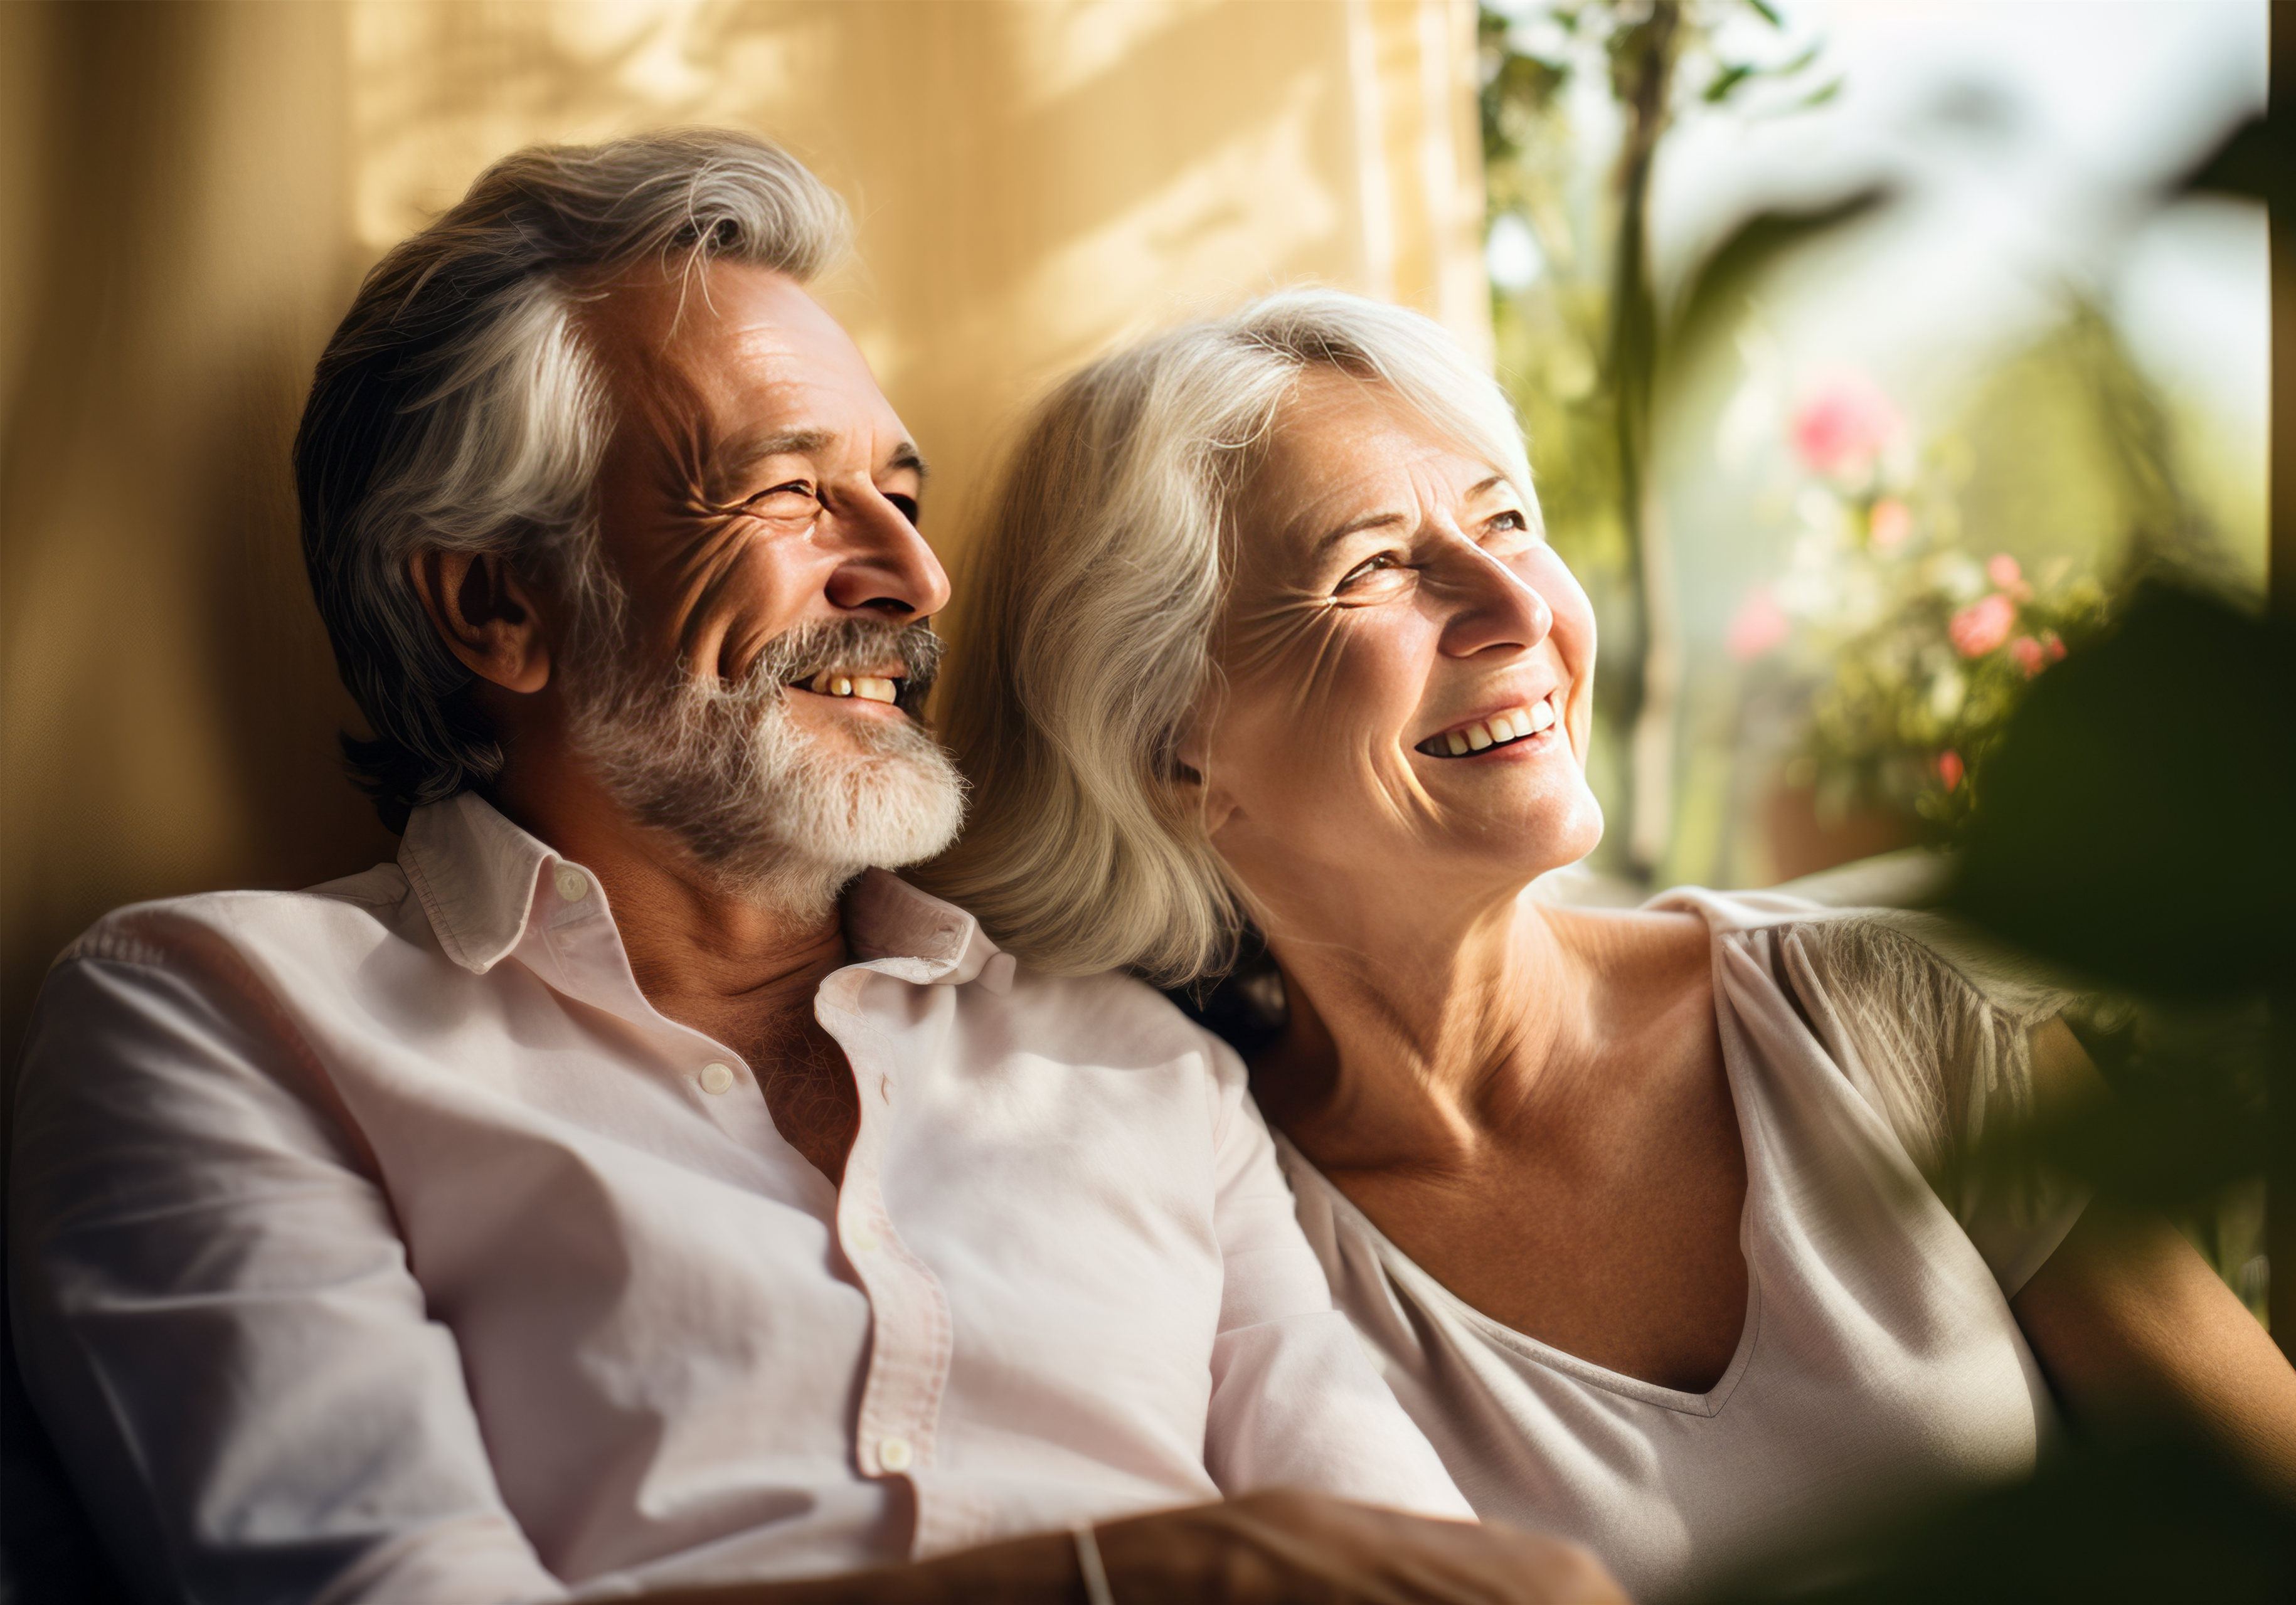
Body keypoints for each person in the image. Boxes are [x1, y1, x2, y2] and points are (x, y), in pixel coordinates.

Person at [6, 135, 1624, 1605]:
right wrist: (1135, 1574)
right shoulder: (221, 1020)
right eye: (789, 491)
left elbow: (1431, 1577)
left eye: (903, 497)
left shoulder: (1137, 1066)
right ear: (497, 605)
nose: (914, 574)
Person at [919, 287, 2296, 1601]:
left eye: (1506, 520)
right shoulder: (1194, 1236)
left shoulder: (1897, 1011)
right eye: (1375, 566)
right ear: (1176, 746)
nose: (1518, 607)